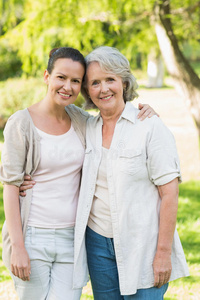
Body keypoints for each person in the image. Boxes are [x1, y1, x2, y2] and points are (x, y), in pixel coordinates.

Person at [0, 46, 156, 300]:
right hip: (32, 236)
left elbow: (114, 118)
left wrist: (144, 111)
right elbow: (10, 184)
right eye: (61, 77)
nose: (68, 86)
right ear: (47, 76)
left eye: (76, 81)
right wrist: (18, 247)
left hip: (72, 239)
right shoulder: (21, 123)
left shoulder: (81, 120)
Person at [72, 46, 189, 299]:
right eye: (95, 83)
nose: (103, 89)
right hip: (97, 243)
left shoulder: (149, 126)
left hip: (143, 243)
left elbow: (169, 194)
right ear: (87, 91)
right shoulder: (86, 127)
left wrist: (163, 253)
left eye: (110, 80)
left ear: (124, 82)